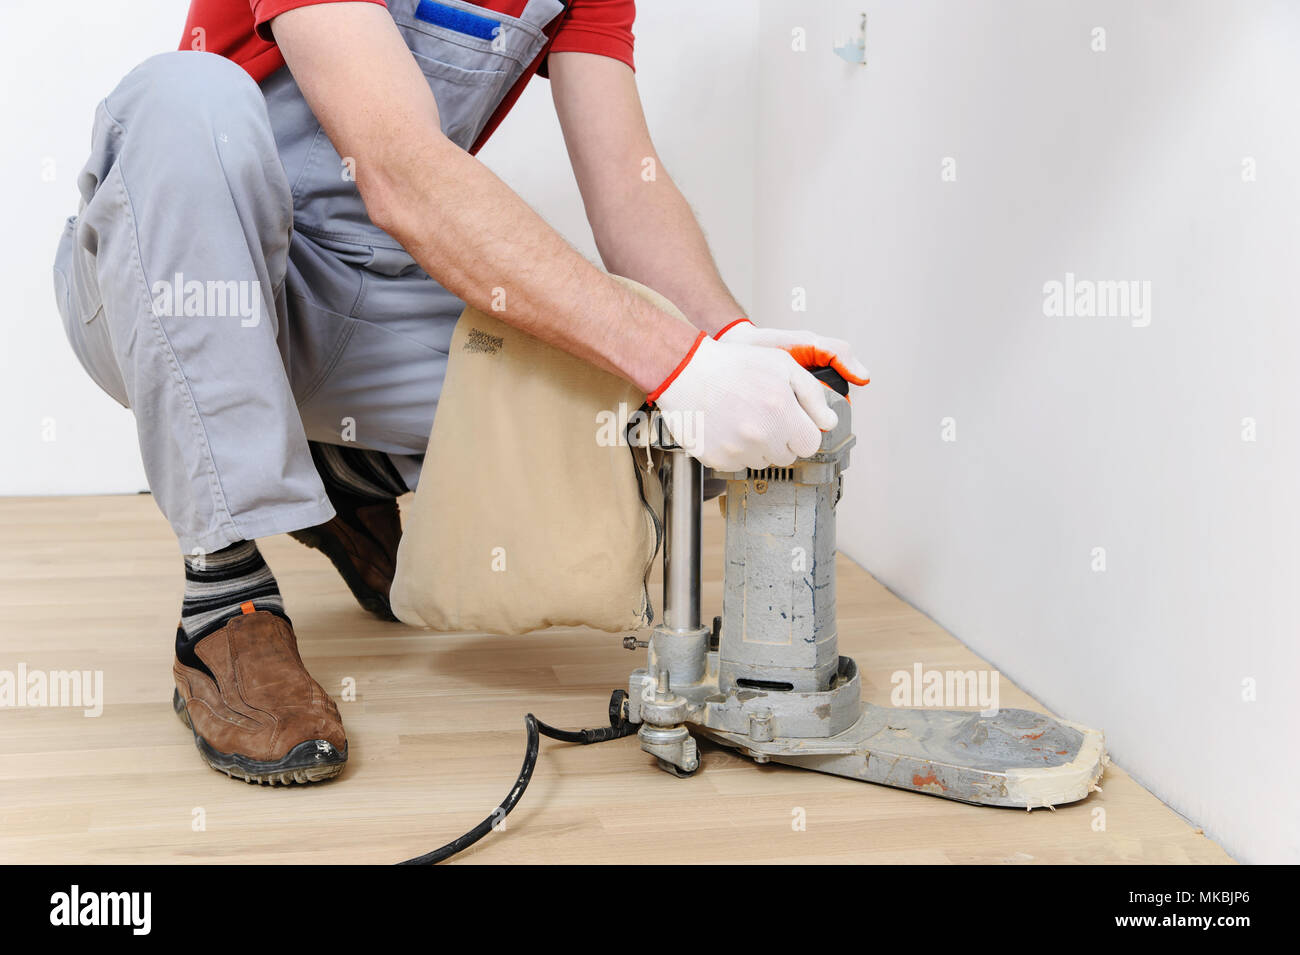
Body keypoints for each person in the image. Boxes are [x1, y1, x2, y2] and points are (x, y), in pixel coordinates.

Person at [51, 0, 870, 785]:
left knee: (602, 400)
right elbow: (398, 168)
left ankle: (345, 477)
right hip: (170, 283)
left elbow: (630, 192)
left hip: (365, 288)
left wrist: (727, 346)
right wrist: (677, 361)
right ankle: (226, 602)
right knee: (184, 97)